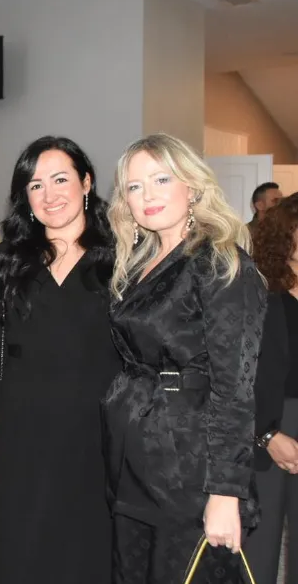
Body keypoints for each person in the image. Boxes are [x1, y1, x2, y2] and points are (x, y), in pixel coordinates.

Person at [103, 133, 267, 583]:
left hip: (191, 467)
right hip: (133, 457)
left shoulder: (220, 262)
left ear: (191, 186)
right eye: (134, 186)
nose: (147, 195)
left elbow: (235, 388)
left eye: (161, 179)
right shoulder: (136, 263)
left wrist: (226, 493)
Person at [0, 137, 119, 584]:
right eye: (36, 185)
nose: (49, 195)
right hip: (24, 433)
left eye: (60, 179)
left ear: (86, 182)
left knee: (91, 552)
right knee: (25, 549)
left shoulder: (122, 259)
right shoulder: (2, 261)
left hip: (99, 433)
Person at [247, 193, 298, 584]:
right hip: (272, 424)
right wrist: (266, 434)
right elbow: (239, 373)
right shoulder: (260, 293)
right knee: (259, 552)